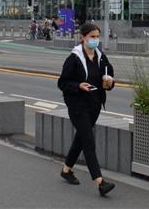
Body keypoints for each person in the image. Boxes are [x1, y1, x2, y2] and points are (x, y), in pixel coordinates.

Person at [57, 22, 116, 197]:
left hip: (94, 105)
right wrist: (78, 86)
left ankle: (66, 170)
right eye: (92, 37)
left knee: (81, 139)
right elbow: (62, 83)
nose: (95, 40)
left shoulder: (101, 57)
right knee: (88, 141)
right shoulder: (74, 58)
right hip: (78, 106)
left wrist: (110, 82)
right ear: (83, 37)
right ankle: (100, 182)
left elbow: (109, 76)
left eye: (97, 37)